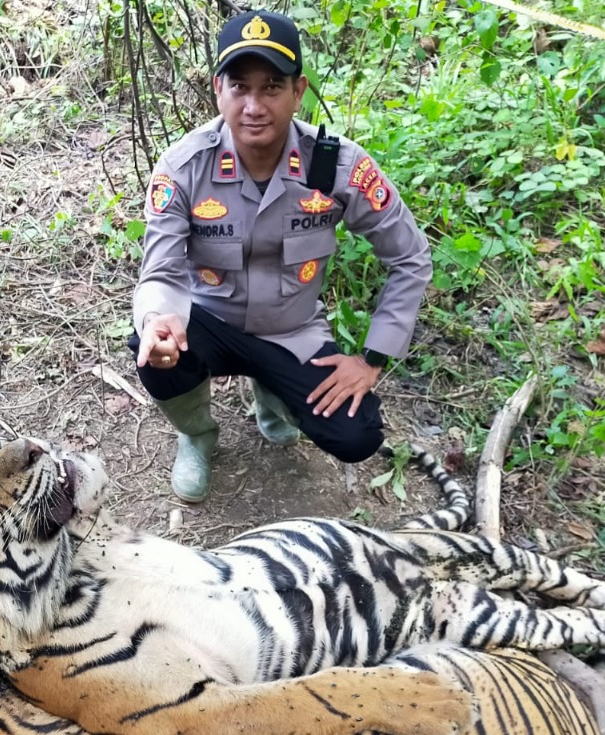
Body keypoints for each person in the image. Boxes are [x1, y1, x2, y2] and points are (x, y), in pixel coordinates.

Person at [130, 9, 433, 504]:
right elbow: (161, 269)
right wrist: (159, 320)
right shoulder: (184, 166)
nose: (254, 105)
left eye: (271, 86)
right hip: (209, 320)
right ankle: (198, 435)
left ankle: (274, 395)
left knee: (357, 435)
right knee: (153, 353)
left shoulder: (337, 166)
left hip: (292, 331)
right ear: (218, 90)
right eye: (239, 86)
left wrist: (373, 357)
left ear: (299, 92)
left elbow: (411, 258)